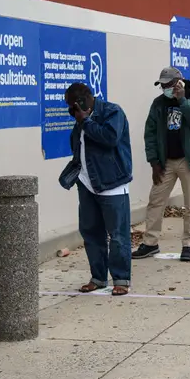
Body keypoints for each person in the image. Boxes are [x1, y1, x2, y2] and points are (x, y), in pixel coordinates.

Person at [58, 83, 133, 296]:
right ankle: (98, 278)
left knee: (117, 235)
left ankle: (121, 279)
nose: (70, 112)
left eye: (71, 107)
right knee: (91, 233)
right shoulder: (80, 121)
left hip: (112, 184)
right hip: (87, 184)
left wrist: (86, 121)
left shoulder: (112, 112)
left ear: (81, 102)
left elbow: (110, 138)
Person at [132, 67, 190, 262]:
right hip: (165, 161)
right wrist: (154, 162)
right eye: (162, 85)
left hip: (188, 160)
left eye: (169, 84)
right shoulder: (158, 104)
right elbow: (150, 133)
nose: (165, 88)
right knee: (155, 200)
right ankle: (150, 243)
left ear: (179, 83)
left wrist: (182, 100)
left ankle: (189, 244)